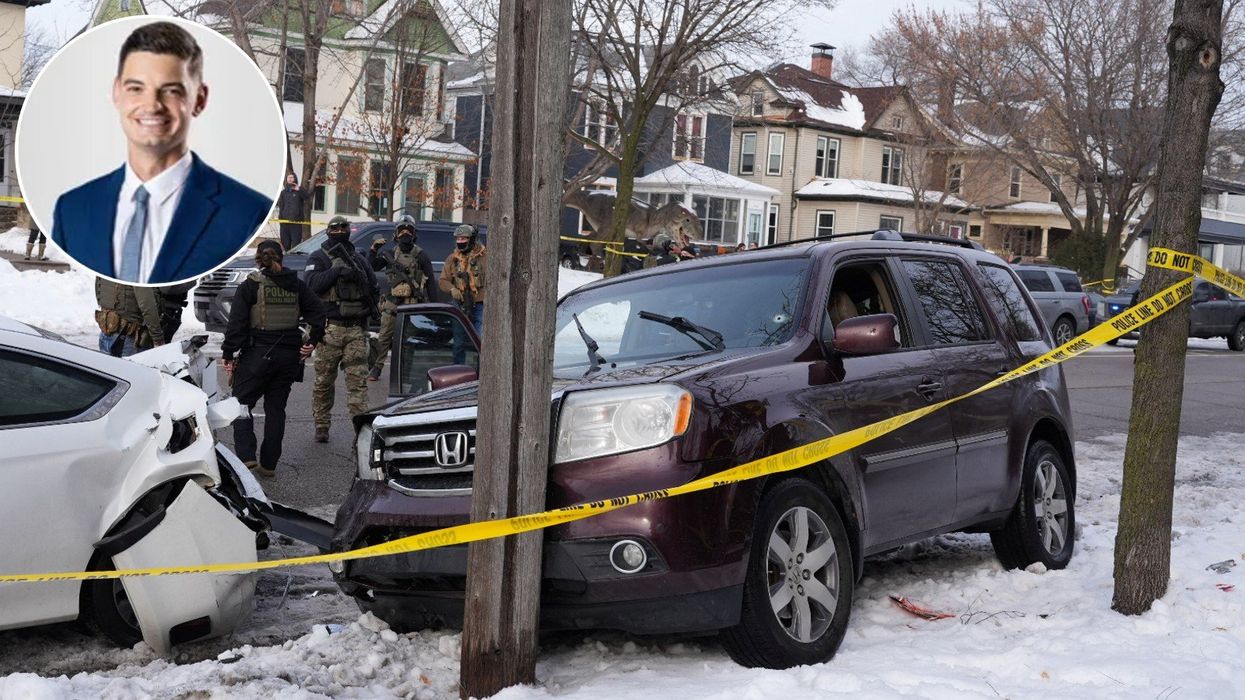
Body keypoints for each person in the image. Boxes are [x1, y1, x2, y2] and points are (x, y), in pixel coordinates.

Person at [51, 21, 272, 284]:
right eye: (136, 88)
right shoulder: (72, 210)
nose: (152, 105)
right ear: (116, 92)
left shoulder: (247, 214)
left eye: (171, 91)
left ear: (199, 99)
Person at [221, 240, 325, 478]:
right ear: (282, 258)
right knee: (276, 409)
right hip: (289, 356)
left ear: (259, 260)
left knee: (241, 404)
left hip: (258, 354)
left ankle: (247, 456)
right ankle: (269, 464)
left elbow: (236, 323)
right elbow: (318, 313)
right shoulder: (297, 285)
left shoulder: (250, 286)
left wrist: (228, 353)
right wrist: (312, 342)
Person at [305, 215, 378, 443]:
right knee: (324, 382)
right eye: (335, 228)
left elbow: (373, 287)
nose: (340, 231)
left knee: (358, 384)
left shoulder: (358, 259)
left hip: (356, 330)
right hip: (329, 329)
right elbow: (311, 285)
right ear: (328, 232)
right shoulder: (319, 257)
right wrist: (336, 271)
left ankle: (361, 430)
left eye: (344, 228)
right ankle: (322, 425)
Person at [368, 214, 436, 381]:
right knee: (384, 338)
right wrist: (373, 250)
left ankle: (405, 373)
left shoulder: (421, 255)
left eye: (409, 230)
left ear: (414, 234)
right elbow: (371, 267)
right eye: (401, 230)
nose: (405, 233)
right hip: (392, 304)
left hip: (412, 306)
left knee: (409, 342)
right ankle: (376, 370)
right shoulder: (389, 253)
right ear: (396, 234)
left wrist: (434, 307)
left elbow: (431, 283)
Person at [440, 223, 485, 365]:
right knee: (458, 343)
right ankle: (459, 372)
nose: (460, 242)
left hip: (480, 304)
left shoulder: (484, 257)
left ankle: (482, 373)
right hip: (459, 304)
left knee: (480, 341)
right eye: (458, 239)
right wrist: (452, 289)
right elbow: (443, 280)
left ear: (472, 239)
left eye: (464, 238)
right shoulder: (452, 258)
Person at [95, 278, 165, 357]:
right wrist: (158, 339)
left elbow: (99, 291)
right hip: (128, 339)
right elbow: (147, 305)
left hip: (106, 333)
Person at [277, 172, 313, 251]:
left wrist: (299, 190)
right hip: (285, 223)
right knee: (285, 244)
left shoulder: (299, 190)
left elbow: (306, 197)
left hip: (296, 223)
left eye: (292, 177)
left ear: (295, 179)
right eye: (288, 177)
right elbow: (281, 206)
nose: (290, 179)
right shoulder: (283, 192)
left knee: (296, 245)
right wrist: (281, 220)